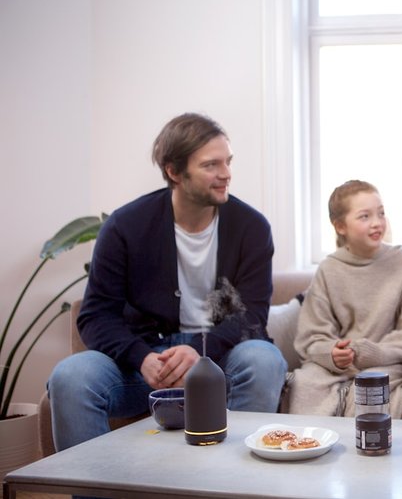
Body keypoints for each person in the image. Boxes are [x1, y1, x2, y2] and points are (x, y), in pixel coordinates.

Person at [48, 113, 287, 451]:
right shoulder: (125, 226)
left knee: (264, 360)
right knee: (71, 377)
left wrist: (200, 350)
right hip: (146, 364)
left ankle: (234, 486)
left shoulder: (251, 227)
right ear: (174, 172)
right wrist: (141, 357)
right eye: (211, 165)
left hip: (221, 360)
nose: (226, 174)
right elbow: (96, 315)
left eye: (228, 162)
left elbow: (251, 316)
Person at [286, 180, 402, 417]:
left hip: (390, 362)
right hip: (335, 368)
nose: (377, 223)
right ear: (340, 226)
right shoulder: (329, 269)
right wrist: (332, 354)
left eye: (381, 213)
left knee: (372, 386)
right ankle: (311, 447)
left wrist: (373, 353)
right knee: (305, 382)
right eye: (364, 217)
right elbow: (311, 337)